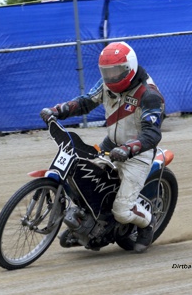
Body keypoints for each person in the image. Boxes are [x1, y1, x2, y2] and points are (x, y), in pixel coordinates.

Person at [40, 41, 165, 253]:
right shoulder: (106, 84)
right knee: (82, 178)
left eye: (116, 71)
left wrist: (128, 149)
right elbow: (86, 101)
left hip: (138, 154)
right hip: (111, 145)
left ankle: (148, 223)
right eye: (107, 72)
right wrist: (58, 110)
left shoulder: (149, 95)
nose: (111, 77)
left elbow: (152, 133)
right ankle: (87, 221)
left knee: (121, 211)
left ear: (129, 67)